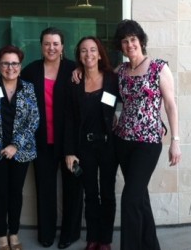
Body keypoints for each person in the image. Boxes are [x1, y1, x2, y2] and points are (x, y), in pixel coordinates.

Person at [113, 19, 182, 250]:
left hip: (148, 142)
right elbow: (106, 94)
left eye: (132, 39)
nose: (129, 44)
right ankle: (151, 245)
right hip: (122, 141)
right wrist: (77, 73)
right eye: (124, 41)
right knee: (140, 197)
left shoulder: (159, 68)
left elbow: (171, 106)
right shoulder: (120, 71)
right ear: (120, 46)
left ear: (140, 41)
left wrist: (175, 141)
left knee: (130, 198)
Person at [20, 27, 83, 249]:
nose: (51, 48)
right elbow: (10, 81)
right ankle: (46, 234)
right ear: (41, 46)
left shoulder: (74, 70)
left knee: (73, 189)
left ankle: (70, 234)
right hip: (41, 142)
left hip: (70, 142)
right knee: (45, 190)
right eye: (47, 43)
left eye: (55, 43)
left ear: (63, 46)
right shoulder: (31, 71)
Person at [64, 36, 119, 250]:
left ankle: (105, 240)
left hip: (107, 146)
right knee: (90, 194)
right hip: (84, 147)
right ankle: (92, 238)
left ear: (99, 53)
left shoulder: (112, 79)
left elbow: (126, 100)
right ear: (79, 55)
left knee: (107, 193)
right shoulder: (75, 82)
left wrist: (119, 115)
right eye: (84, 50)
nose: (89, 54)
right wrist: (69, 151)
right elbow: (69, 119)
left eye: (93, 50)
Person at [0, 45, 39, 250]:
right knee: (0, 193)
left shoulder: (28, 88)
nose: (11, 67)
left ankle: (14, 234)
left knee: (16, 193)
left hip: (21, 151)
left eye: (15, 63)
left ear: (20, 65)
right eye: (6, 63)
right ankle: (1, 234)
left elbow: (33, 119)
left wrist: (15, 145)